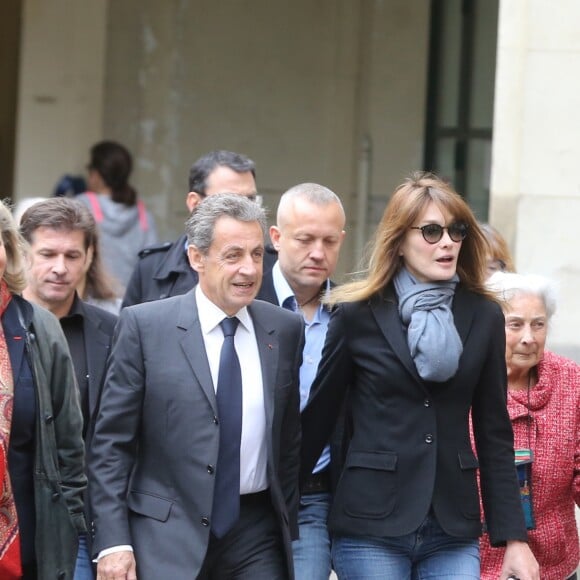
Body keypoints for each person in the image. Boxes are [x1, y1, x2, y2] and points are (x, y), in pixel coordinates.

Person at [300, 172, 539, 580]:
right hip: (370, 523)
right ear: (400, 241)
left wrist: (514, 538)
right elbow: (317, 423)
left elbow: (494, 432)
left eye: (456, 230)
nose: (447, 241)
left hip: (453, 524)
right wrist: (280, 513)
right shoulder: (358, 314)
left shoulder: (482, 315)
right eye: (431, 231)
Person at [89, 193, 304, 579]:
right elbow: (111, 445)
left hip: (256, 534)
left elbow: (287, 440)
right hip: (165, 533)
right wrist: (113, 542)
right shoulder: (145, 327)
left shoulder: (284, 329)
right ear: (196, 258)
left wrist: (286, 523)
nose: (249, 269)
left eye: (257, 254)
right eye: (233, 255)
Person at [19, 197, 118, 580]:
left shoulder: (112, 333)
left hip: (79, 523)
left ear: (89, 257)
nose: (60, 268)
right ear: (22, 253)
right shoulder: (6, 327)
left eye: (72, 255)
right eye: (47, 253)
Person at [258, 183, 346, 579]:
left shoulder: (354, 311)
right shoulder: (244, 300)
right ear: (276, 238)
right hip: (244, 492)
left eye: (329, 241)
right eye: (305, 239)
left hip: (315, 495)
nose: (318, 252)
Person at [0, 201, 86, 579]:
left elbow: (69, 449)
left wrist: (64, 531)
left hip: (27, 554)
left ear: (7, 249)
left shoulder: (39, 327)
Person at [480, 271, 580, 580]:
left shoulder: (570, 381)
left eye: (538, 324)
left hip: (554, 564)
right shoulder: (468, 379)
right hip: (475, 564)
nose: (529, 337)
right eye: (515, 324)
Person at [122, 149, 276, 307]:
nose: (244, 209)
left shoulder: (274, 268)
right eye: (230, 201)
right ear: (195, 204)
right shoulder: (151, 267)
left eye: (250, 199)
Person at [77, 140, 158, 289]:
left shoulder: (81, 206)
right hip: (131, 302)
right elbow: (151, 263)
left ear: (96, 174)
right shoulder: (143, 214)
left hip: (91, 300)